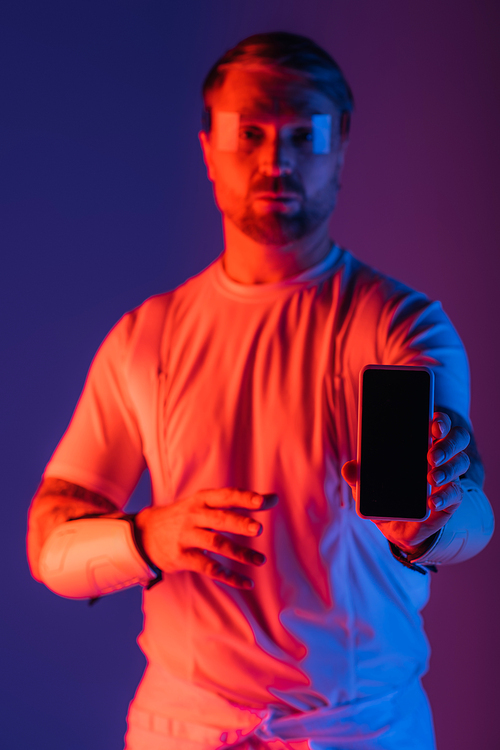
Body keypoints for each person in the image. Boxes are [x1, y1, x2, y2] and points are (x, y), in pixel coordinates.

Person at [27, 32, 494, 750]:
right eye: (249, 133)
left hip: (360, 731)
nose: (276, 160)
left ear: (340, 153)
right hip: (183, 730)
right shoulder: (144, 338)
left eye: (304, 135)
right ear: (209, 150)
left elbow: (467, 519)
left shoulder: (403, 325)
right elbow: (49, 546)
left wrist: (432, 514)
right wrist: (153, 536)